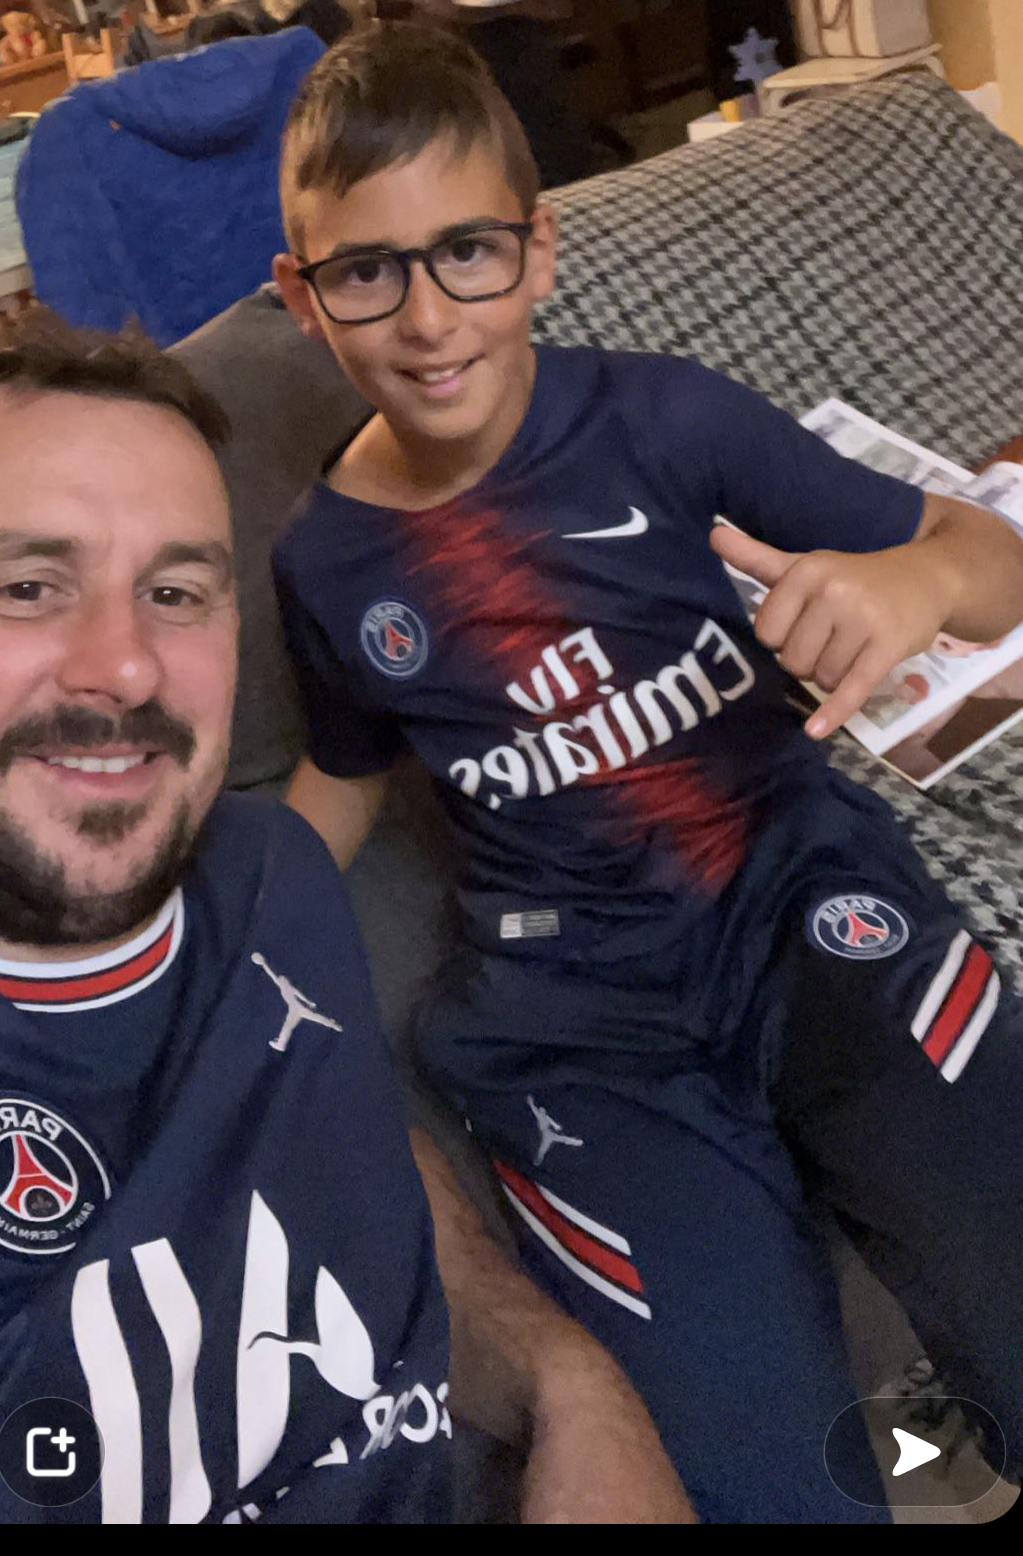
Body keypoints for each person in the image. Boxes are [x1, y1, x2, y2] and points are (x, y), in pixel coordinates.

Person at [269, 22, 1023, 1523]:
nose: (427, 316)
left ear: (539, 251)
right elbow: (343, 771)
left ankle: (958, 1437)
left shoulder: (666, 418)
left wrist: (918, 582)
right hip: (578, 1027)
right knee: (765, 1478)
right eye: (366, 272)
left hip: (804, 906)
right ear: (302, 298)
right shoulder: (324, 561)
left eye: (467, 252)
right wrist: (220, 919)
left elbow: (991, 561)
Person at [0, 314, 693, 1524]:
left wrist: (572, 1388)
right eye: (29, 586)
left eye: (174, 591)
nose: (125, 664)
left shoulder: (270, 871)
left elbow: (352, 1157)